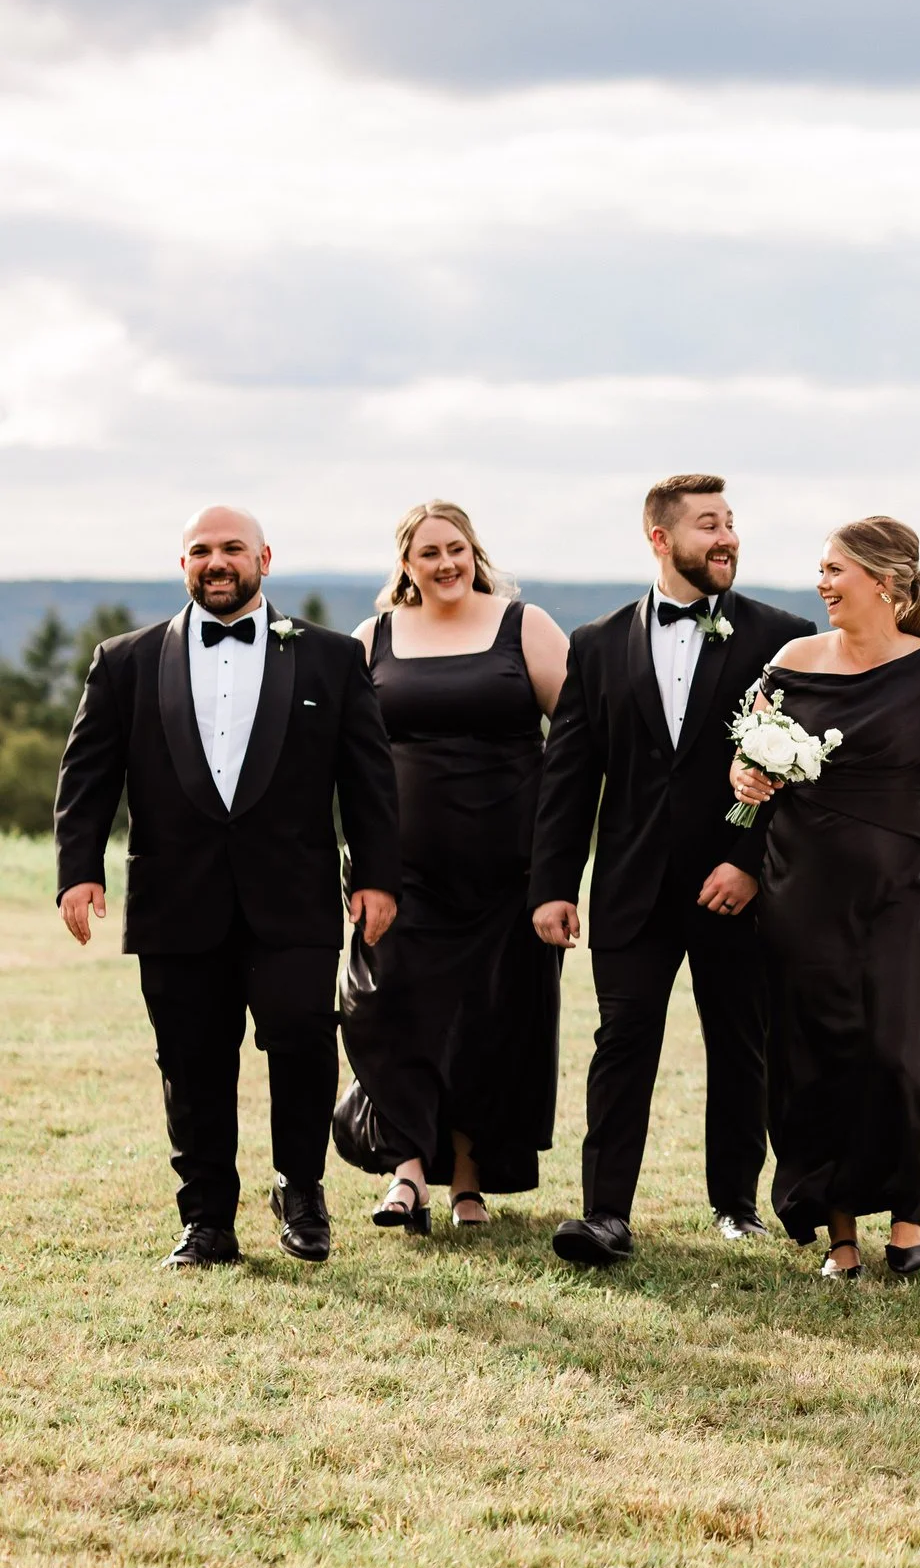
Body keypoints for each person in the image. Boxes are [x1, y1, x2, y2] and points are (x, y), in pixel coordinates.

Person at [54, 506, 400, 1268]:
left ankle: (300, 1192)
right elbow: (87, 774)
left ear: (264, 558)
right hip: (174, 899)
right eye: (200, 550)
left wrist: (375, 875)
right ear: (183, 563)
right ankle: (206, 1220)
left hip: (295, 895)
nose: (217, 561)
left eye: (232, 548)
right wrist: (79, 869)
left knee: (305, 1046)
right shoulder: (125, 660)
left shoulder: (331, 658)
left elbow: (369, 779)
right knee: (190, 1058)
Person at [530, 475, 813, 1266]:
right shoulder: (596, 643)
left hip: (737, 884)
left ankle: (735, 1203)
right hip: (630, 884)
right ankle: (606, 1213)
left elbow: (795, 772)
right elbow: (571, 774)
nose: (725, 538)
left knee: (739, 1043)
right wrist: (553, 883)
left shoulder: (781, 637)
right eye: (707, 525)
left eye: (730, 523)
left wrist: (750, 862)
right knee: (622, 1040)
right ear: (660, 538)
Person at [726, 517, 920, 1281]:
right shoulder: (794, 659)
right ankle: (838, 1232)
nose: (823, 583)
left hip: (899, 887)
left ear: (887, 583)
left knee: (896, 1046)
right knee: (812, 1052)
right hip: (799, 883)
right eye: (821, 569)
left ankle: (908, 1204)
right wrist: (744, 775)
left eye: (836, 570)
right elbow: (745, 748)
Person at [332, 502, 568, 1234]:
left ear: (475, 551)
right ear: (404, 562)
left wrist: (560, 865)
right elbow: (341, 755)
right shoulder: (371, 638)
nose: (445, 563)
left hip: (508, 871)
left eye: (456, 548)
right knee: (388, 1012)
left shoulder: (523, 625)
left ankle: (468, 1181)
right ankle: (406, 1173)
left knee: (490, 1024)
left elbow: (579, 734)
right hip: (398, 870)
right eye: (428, 551)